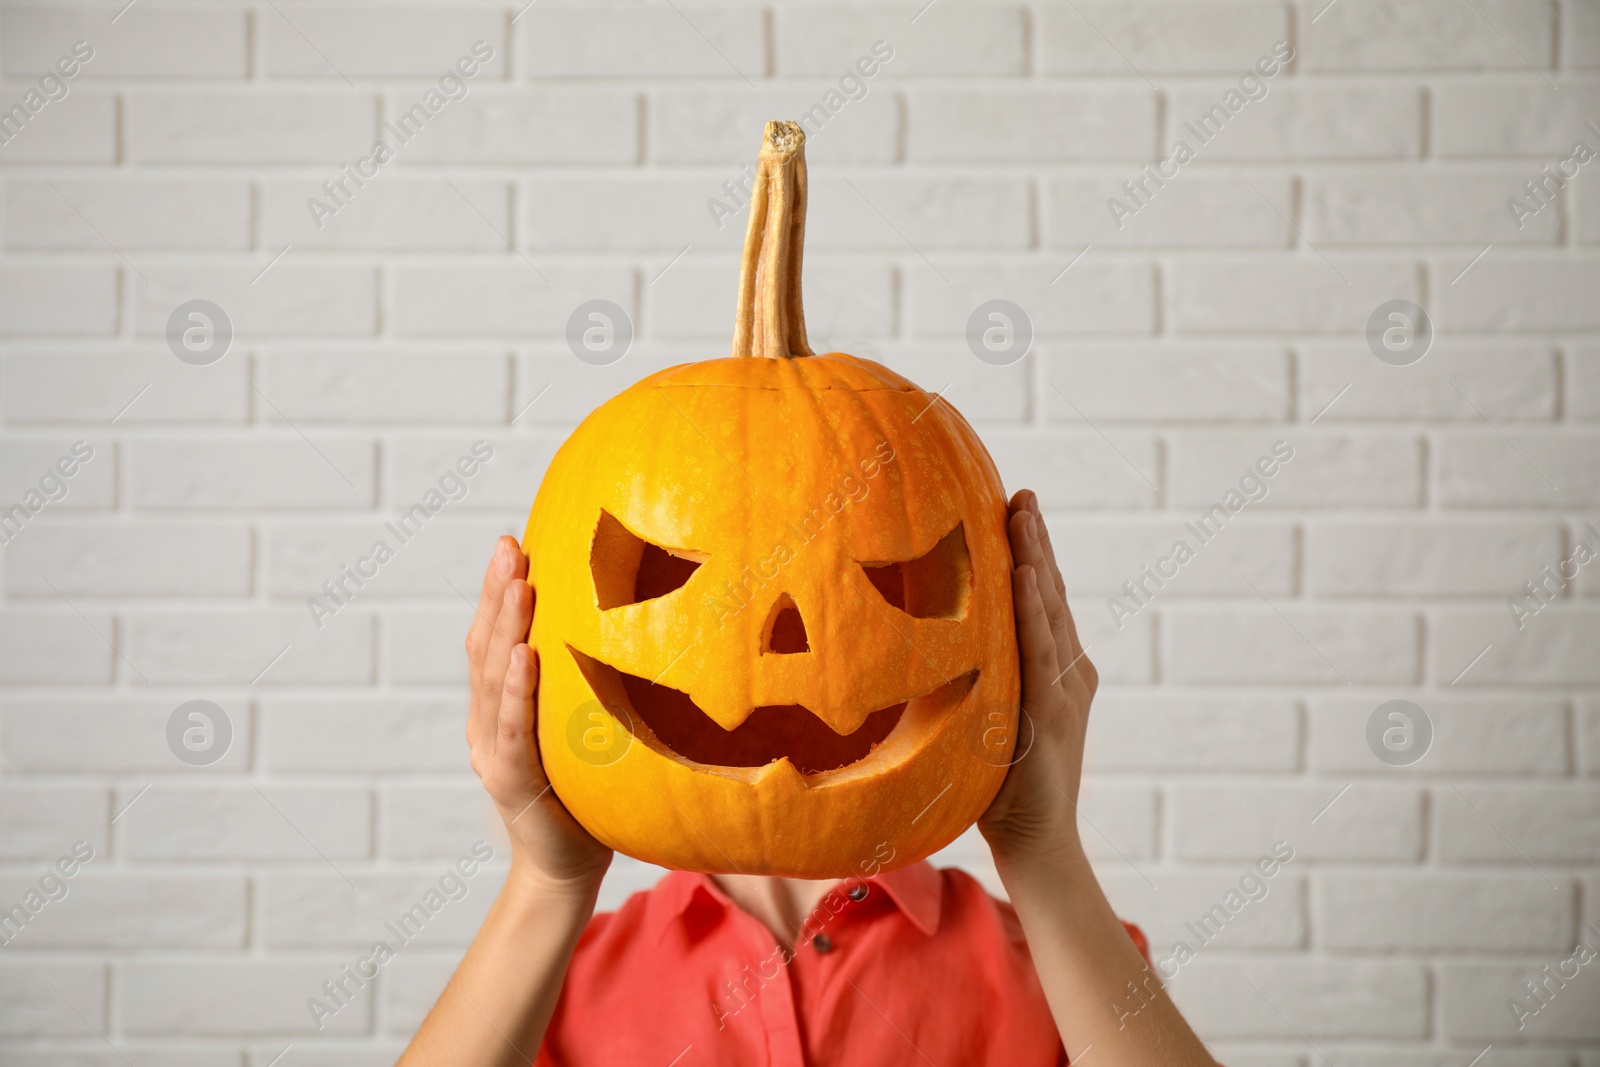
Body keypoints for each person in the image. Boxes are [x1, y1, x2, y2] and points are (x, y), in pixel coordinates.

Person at [398, 490, 1217, 1065]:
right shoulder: (548, 990)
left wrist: (1045, 852)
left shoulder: (1059, 966)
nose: (779, 640)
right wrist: (544, 882)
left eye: (878, 572)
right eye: (676, 571)